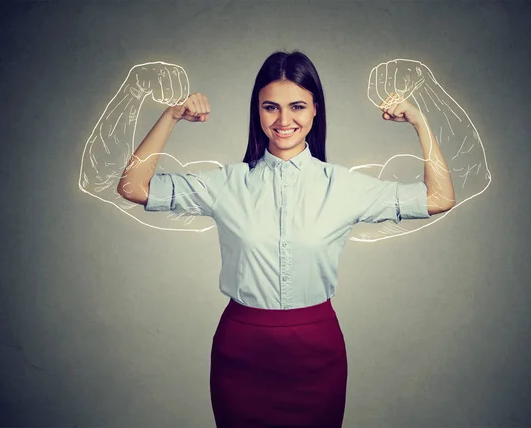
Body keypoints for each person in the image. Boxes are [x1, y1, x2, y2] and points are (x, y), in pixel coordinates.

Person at [117, 50, 455, 428]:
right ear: (257, 112)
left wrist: (420, 123)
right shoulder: (225, 184)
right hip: (240, 351)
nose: (283, 120)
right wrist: (171, 116)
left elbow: (438, 198)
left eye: (296, 106)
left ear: (315, 110)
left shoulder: (344, 187)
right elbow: (132, 187)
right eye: (270, 107)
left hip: (316, 352)